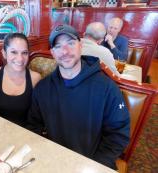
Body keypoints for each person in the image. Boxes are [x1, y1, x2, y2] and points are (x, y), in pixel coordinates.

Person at [27, 24, 130, 169]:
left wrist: (96, 165)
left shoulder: (107, 88)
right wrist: (45, 154)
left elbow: (118, 134)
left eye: (70, 43)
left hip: (92, 164)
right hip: (52, 161)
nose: (65, 51)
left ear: (80, 45)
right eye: (58, 46)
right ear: (53, 53)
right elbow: (34, 125)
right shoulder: (43, 88)